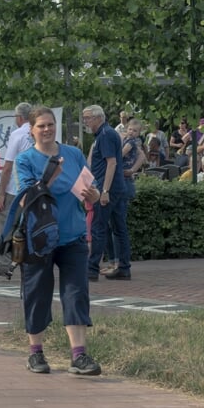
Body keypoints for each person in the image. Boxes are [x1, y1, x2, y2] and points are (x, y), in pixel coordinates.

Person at [16, 106, 102, 376]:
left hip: (73, 235)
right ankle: (36, 353)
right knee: (37, 293)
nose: (47, 129)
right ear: (31, 130)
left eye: (50, 124)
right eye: (41, 125)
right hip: (39, 239)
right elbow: (25, 199)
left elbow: (92, 187)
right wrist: (49, 178)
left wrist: (94, 195)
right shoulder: (26, 159)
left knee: (76, 293)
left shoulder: (74, 154)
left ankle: (79, 356)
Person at [82, 105, 132, 281]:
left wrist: (104, 191)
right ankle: (124, 268)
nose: (85, 121)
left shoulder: (105, 135)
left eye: (87, 118)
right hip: (116, 187)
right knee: (119, 228)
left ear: (98, 118)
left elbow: (111, 163)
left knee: (98, 227)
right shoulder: (107, 134)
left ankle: (92, 269)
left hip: (108, 188)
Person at [0, 103, 33, 242]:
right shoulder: (40, 132)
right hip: (37, 188)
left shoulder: (17, 134)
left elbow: (8, 167)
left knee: (6, 223)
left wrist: (1, 194)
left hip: (16, 189)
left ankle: (3, 260)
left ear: (20, 117)